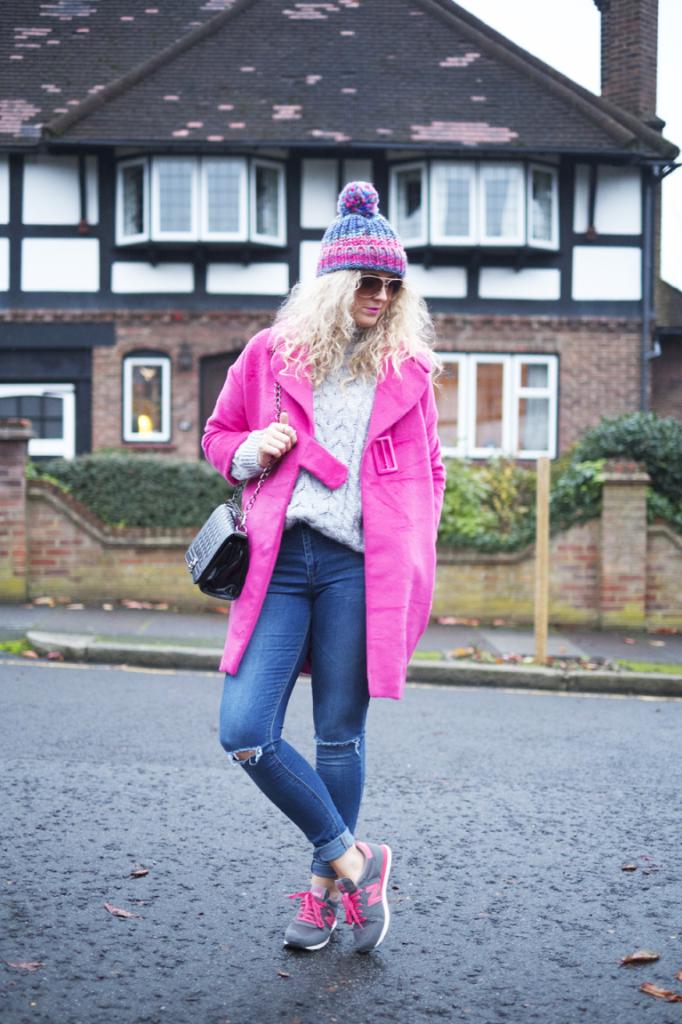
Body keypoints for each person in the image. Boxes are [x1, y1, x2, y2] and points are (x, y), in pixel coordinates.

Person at [202, 181, 446, 954]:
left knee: (339, 735)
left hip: (359, 569)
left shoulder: (409, 370)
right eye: (368, 281)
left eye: (392, 285)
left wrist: (414, 541)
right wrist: (249, 450)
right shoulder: (270, 354)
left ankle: (321, 895)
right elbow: (218, 435)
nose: (381, 296)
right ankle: (356, 860)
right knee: (245, 730)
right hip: (279, 563)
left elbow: (432, 470)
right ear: (334, 282)